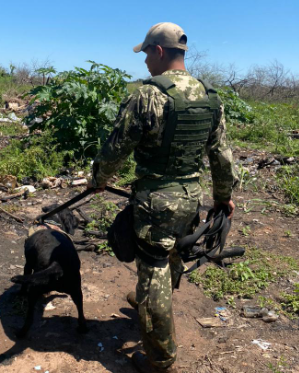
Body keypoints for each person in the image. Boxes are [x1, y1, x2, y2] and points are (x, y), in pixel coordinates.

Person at [89, 22, 237, 373]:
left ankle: (160, 358)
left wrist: (98, 179)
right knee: (172, 255)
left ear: (158, 52)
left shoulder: (148, 95)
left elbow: (116, 148)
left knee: (153, 269)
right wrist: (223, 197)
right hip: (190, 196)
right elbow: (222, 155)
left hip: (155, 200)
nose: (144, 64)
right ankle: (149, 301)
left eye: (146, 55)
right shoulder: (209, 96)